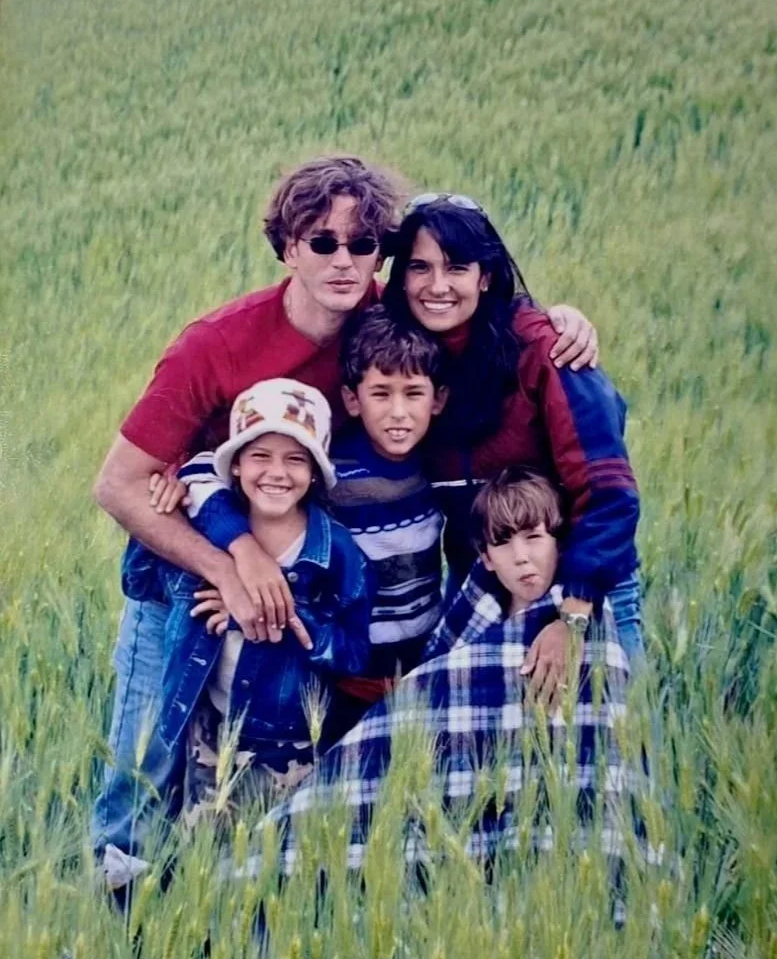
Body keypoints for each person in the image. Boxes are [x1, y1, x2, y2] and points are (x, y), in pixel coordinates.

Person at [92, 154, 597, 870]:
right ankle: (116, 902)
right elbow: (117, 485)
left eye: (363, 243)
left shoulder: (384, 321)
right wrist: (232, 563)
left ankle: (239, 896)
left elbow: (474, 316)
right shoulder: (216, 344)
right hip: (188, 574)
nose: (343, 260)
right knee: (149, 757)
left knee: (270, 774)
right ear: (288, 248)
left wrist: (558, 322)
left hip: (308, 593)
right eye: (322, 241)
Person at [248, 468, 631, 879]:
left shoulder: (584, 626)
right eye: (503, 543)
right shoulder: (470, 617)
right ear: (486, 558)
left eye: (534, 537)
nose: (521, 556)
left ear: (559, 541)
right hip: (466, 797)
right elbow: (430, 696)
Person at [382, 193, 643, 690]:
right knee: (463, 738)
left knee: (614, 735)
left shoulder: (546, 349)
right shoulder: (401, 355)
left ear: (485, 276)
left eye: (456, 267)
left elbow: (609, 491)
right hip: (479, 584)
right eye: (419, 267)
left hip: (582, 584)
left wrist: (572, 615)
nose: (437, 286)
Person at [181, 305, 449, 720]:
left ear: (438, 400)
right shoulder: (325, 470)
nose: (398, 412)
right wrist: (240, 545)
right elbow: (201, 470)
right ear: (352, 400)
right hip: (337, 673)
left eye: (413, 393)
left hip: (419, 663)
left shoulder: (440, 464)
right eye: (381, 393)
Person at [151, 378, 372, 832]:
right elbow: (139, 581)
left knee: (280, 851)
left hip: (291, 743)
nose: (277, 472)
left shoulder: (336, 553)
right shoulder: (206, 534)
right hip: (211, 729)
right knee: (206, 851)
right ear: (235, 466)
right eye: (260, 456)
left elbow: (353, 653)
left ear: (315, 471)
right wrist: (164, 512)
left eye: (296, 459)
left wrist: (276, 615)